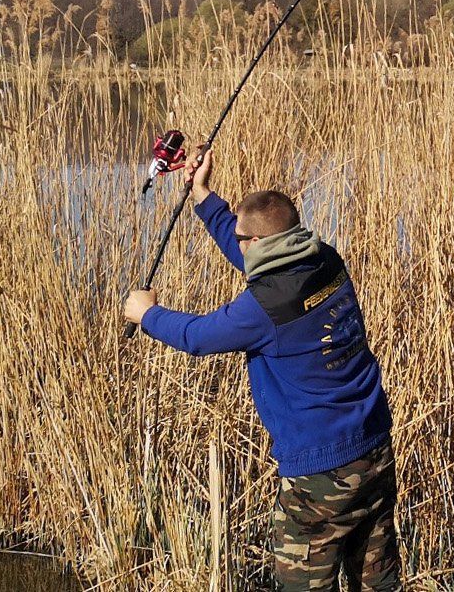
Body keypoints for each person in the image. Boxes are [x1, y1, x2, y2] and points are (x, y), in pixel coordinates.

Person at [124, 148, 397, 591]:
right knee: (377, 579)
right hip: (375, 449)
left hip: (319, 470)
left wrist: (147, 313)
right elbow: (255, 254)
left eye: (242, 237)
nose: (239, 243)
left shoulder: (263, 309)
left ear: (259, 245)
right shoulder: (326, 259)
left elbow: (198, 336)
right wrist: (203, 196)